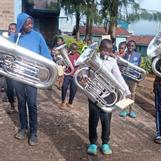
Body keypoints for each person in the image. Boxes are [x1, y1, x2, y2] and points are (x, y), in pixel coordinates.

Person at [9, 13, 52, 146]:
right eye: (27, 23)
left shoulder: (37, 36)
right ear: (21, 24)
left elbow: (46, 54)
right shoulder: (14, 37)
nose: (30, 25)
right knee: (21, 103)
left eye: (31, 23)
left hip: (32, 76)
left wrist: (48, 68)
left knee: (32, 104)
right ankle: (23, 128)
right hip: (18, 76)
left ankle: (33, 132)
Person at [85, 39, 131, 155]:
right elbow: (85, 69)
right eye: (105, 50)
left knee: (106, 120)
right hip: (93, 93)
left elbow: (118, 77)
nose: (106, 52)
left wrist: (127, 90)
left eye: (109, 51)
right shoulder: (92, 57)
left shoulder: (112, 61)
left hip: (108, 95)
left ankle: (105, 143)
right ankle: (93, 143)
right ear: (100, 48)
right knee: (93, 119)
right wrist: (84, 75)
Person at [119, 40, 141, 118]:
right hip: (124, 78)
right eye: (129, 45)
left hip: (133, 79)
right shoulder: (124, 55)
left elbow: (139, 68)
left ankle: (131, 111)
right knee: (125, 93)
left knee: (132, 94)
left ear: (135, 47)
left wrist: (138, 79)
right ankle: (123, 110)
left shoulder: (138, 55)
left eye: (132, 46)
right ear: (127, 46)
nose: (130, 47)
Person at [60, 43, 80, 109]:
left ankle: (70, 102)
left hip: (74, 75)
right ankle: (63, 102)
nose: (73, 51)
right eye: (72, 49)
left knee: (73, 89)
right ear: (70, 49)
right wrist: (63, 62)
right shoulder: (67, 55)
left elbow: (80, 64)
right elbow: (63, 63)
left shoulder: (78, 56)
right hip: (67, 74)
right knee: (64, 87)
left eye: (75, 50)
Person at [5, 23, 17, 114]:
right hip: (8, 67)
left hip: (17, 67)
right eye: (10, 29)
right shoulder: (5, 40)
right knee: (9, 87)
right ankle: (12, 104)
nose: (11, 30)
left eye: (13, 29)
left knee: (18, 88)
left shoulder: (18, 40)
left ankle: (20, 106)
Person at [153, 62, 161, 144]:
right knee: (159, 110)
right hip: (159, 86)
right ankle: (159, 134)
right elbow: (156, 68)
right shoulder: (158, 60)